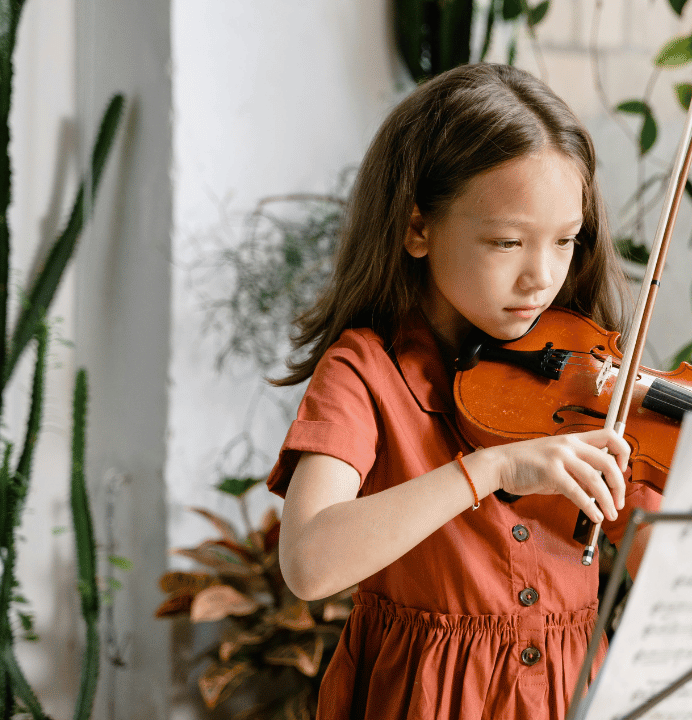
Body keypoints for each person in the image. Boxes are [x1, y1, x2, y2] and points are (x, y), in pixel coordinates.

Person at [266, 64, 661, 719]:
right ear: (418, 228)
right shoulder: (365, 372)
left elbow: (660, 559)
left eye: (565, 240)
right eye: (508, 241)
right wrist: (493, 469)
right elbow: (309, 563)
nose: (542, 276)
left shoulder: (585, 379)